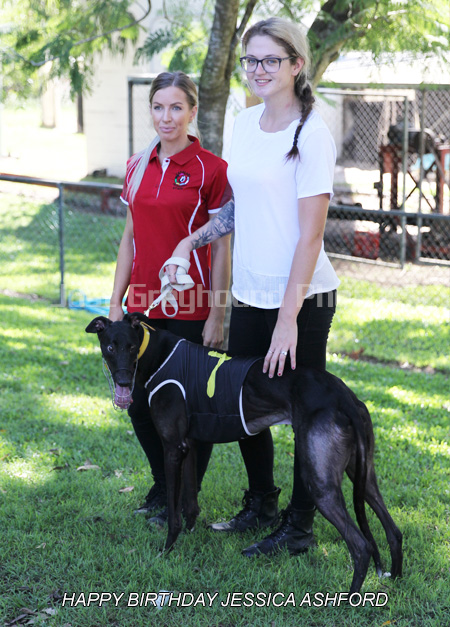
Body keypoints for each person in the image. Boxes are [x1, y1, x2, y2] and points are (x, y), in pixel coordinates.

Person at [167, 17, 340, 556]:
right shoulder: (243, 123)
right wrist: (191, 240)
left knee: (305, 412)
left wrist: (288, 320)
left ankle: (299, 526)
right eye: (251, 60)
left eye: (270, 59)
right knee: (244, 402)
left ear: (296, 64)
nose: (258, 69)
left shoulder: (311, 133)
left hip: (303, 299)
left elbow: (311, 236)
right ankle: (262, 501)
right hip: (249, 291)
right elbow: (239, 206)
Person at [108, 71, 232, 524]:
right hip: (143, 305)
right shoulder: (135, 165)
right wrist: (117, 301)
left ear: (192, 111)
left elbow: (222, 246)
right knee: (139, 403)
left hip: (192, 306)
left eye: (177, 107)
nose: (167, 117)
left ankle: (185, 497)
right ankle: (165, 484)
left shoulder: (211, 169)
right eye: (159, 107)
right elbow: (129, 237)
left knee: (188, 409)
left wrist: (217, 313)